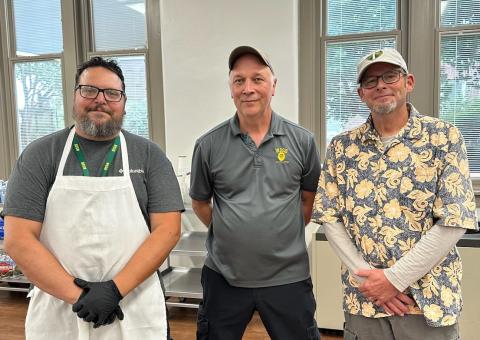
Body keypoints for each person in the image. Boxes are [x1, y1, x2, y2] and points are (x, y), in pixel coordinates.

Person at [3, 57, 184, 339]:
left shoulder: (149, 156)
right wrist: (78, 296)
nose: (101, 100)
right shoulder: (40, 155)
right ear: (75, 95)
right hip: (59, 306)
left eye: (112, 93)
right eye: (90, 90)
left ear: (124, 102)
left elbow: (168, 230)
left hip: (133, 305)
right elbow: (19, 238)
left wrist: (115, 290)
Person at [312, 48, 478, 340]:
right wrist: (371, 283)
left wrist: (393, 280)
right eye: (371, 81)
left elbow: (454, 221)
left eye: (390, 76)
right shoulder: (341, 148)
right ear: (361, 93)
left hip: (427, 302)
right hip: (364, 302)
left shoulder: (443, 137)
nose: (381, 85)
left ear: (408, 82)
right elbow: (329, 217)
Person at [189, 46, 321, 340]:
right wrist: (230, 230)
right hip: (224, 277)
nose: (248, 89)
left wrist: (276, 235)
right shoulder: (208, 145)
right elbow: (200, 202)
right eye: (239, 81)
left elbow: (307, 201)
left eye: (257, 79)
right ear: (230, 89)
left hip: (288, 278)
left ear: (273, 86)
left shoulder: (302, 141)